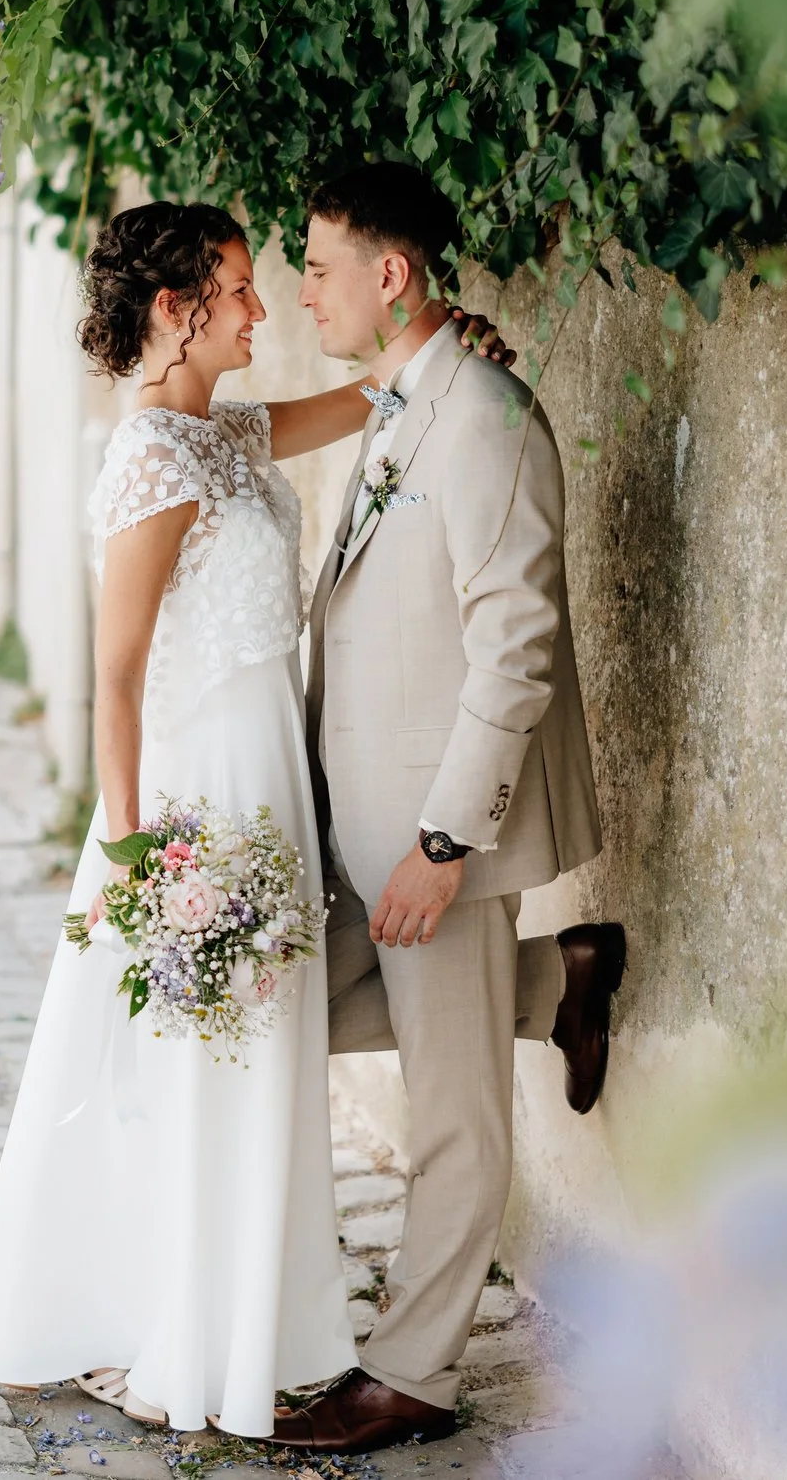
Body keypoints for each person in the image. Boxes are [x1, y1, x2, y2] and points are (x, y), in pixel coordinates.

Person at [0, 200, 519, 1436]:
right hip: (202, 801)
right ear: (176, 308)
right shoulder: (152, 457)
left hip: (274, 779)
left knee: (267, 1055)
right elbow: (114, 676)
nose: (263, 309)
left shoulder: (228, 430)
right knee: (212, 1069)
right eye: (240, 287)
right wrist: (140, 860)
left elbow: (367, 398)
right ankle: (196, 1328)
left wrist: (437, 339)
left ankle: (260, 1318)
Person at [269, 161, 623, 1456]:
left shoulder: (482, 418)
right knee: (282, 1021)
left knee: (455, 1113)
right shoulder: (402, 401)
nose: (302, 291)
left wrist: (442, 841)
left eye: (317, 266)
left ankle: (412, 1371)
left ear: (391, 273)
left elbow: (515, 647)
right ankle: (560, 980)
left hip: (435, 839)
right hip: (355, 830)